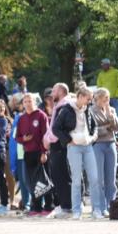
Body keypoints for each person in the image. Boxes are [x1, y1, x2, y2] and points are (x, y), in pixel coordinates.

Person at [54, 86, 105, 219]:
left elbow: (95, 128)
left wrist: (93, 138)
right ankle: (77, 211)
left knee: (94, 178)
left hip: (88, 147)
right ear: (80, 97)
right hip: (74, 147)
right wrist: (68, 140)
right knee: (76, 179)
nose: (89, 102)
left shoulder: (87, 109)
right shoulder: (66, 109)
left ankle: (96, 210)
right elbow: (56, 128)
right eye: (88, 99)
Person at [15, 92, 48, 216]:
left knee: (41, 181)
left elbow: (45, 135)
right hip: (27, 152)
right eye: (25, 101)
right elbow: (17, 137)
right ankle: (35, 206)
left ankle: (43, 206)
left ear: (35, 102)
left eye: (30, 101)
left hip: (40, 152)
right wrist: (24, 139)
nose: (28, 104)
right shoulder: (21, 118)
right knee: (29, 181)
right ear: (23, 104)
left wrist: (44, 152)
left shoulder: (41, 116)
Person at [44, 83, 73, 218]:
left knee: (62, 176)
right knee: (58, 175)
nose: (52, 94)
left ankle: (67, 206)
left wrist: (48, 139)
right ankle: (65, 205)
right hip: (57, 145)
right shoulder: (59, 105)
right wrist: (47, 137)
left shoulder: (64, 105)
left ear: (61, 91)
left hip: (60, 145)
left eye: (54, 90)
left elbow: (58, 128)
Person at [92, 88, 118, 209]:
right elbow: (92, 130)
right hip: (98, 145)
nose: (106, 100)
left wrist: (110, 114)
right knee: (99, 179)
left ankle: (112, 206)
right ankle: (100, 207)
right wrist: (105, 128)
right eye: (104, 98)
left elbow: (117, 127)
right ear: (97, 99)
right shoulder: (91, 111)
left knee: (111, 177)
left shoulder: (112, 110)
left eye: (108, 98)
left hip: (111, 144)